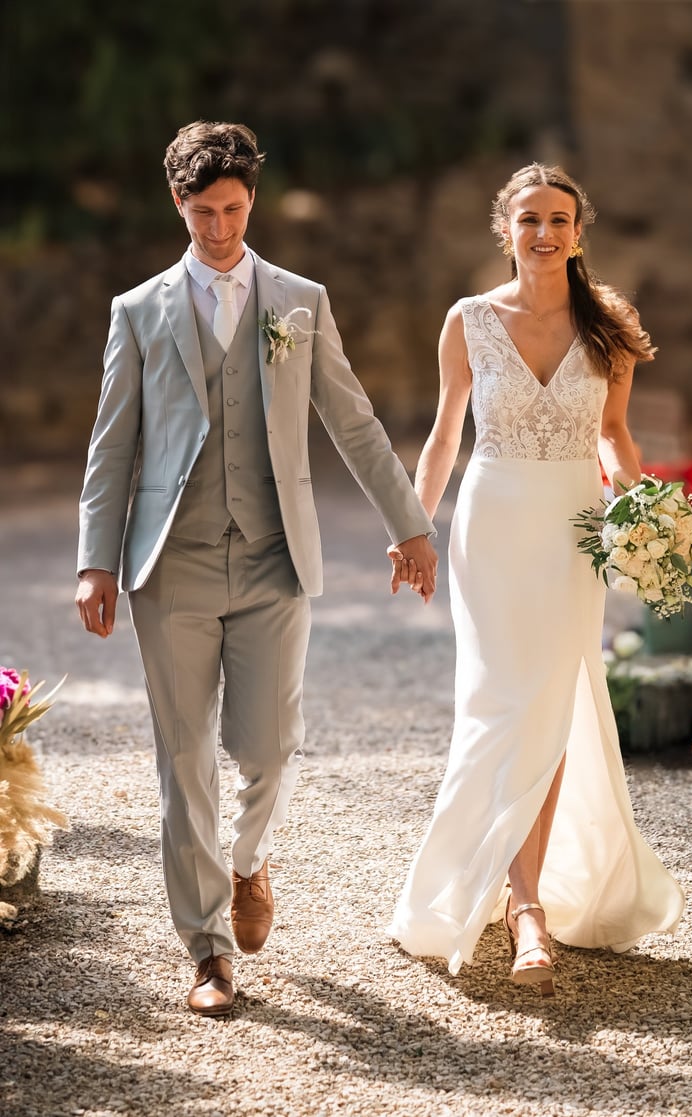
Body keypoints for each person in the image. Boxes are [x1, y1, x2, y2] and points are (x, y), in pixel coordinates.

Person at [76, 120, 437, 1016]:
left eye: (234, 209)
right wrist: (95, 562)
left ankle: (247, 861)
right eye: (204, 212)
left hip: (276, 557)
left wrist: (411, 526)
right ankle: (207, 951)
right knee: (184, 757)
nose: (220, 228)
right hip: (173, 564)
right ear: (178, 203)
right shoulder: (138, 310)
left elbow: (353, 421)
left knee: (268, 746)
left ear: (252, 200)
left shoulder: (299, 301)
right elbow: (111, 444)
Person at [388, 164, 684, 994]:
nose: (544, 233)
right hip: (493, 529)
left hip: (574, 533)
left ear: (579, 233)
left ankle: (526, 907)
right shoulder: (469, 320)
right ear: (506, 230)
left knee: (550, 701)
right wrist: (413, 526)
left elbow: (614, 433)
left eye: (559, 219)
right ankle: (519, 903)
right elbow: (445, 434)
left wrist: (644, 516)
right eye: (530, 219)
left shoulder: (609, 327)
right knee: (503, 701)